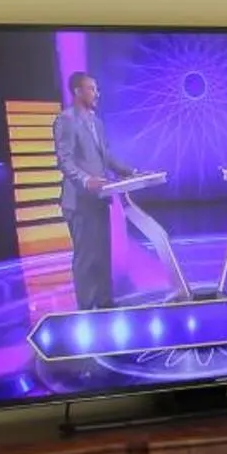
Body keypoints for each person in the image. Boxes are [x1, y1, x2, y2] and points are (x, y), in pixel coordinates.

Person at [53, 72, 138, 309]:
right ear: (77, 92)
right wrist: (85, 179)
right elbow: (64, 160)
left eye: (96, 88)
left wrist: (130, 172)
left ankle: (104, 302)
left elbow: (106, 157)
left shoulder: (97, 123)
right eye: (91, 88)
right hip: (79, 202)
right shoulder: (66, 120)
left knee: (101, 254)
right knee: (85, 258)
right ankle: (86, 307)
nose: (97, 93)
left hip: (99, 200)